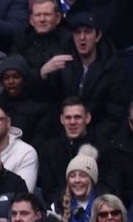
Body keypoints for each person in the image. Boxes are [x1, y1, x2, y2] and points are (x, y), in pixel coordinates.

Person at [39, 11, 129, 141]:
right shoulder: (63, 62)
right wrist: (43, 73)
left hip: (98, 137)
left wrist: (92, 138)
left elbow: (115, 112)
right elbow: (50, 102)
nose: (82, 37)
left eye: (87, 32)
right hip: (63, 133)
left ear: (97, 36)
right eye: (77, 32)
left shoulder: (112, 67)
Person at [37, 98, 98, 206]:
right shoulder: (48, 150)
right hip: (60, 209)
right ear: (61, 119)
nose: (72, 122)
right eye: (68, 118)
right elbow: (48, 191)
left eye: (77, 117)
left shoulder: (100, 148)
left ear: (87, 118)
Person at [46, 144, 104, 222]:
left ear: (92, 179)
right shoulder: (58, 204)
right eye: (72, 176)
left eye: (83, 175)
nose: (77, 180)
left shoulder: (105, 204)